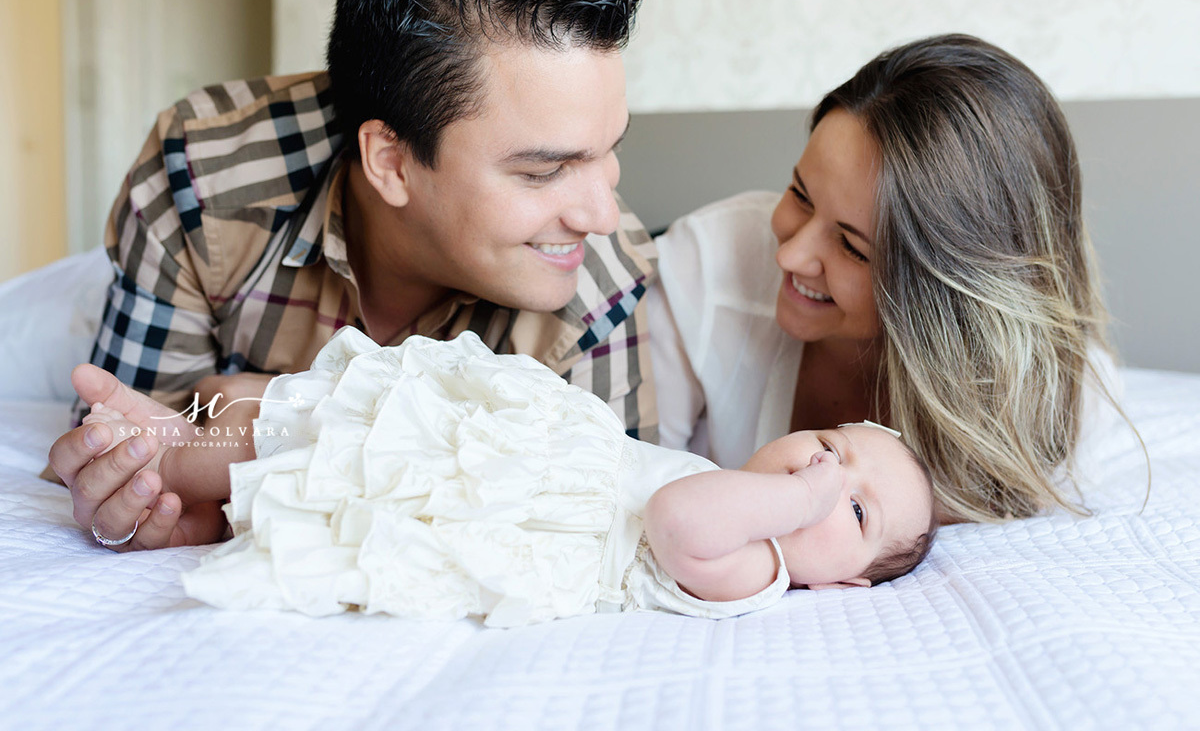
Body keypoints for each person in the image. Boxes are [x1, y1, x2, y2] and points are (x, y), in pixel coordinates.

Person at [46, 0, 660, 550]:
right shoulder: (203, 178)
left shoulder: (599, 274)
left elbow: (599, 527)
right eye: (542, 172)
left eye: (610, 151)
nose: (602, 214)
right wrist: (158, 490)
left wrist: (285, 411)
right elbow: (136, 435)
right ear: (391, 162)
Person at [81, 327, 936, 626]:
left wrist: (799, 498)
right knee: (301, 409)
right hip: (505, 455)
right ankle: (175, 421)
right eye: (830, 445)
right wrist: (811, 489)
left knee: (320, 470)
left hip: (493, 507)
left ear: (849, 585)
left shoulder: (761, 573)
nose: (826, 472)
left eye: (855, 507)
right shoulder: (736, 486)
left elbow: (678, 522)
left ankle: (159, 451)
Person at [649, 33, 1130, 524]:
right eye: (800, 194)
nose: (792, 256)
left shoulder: (1057, 404)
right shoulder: (703, 265)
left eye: (853, 247)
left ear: (953, 292)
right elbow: (621, 498)